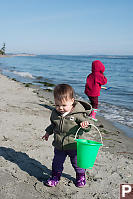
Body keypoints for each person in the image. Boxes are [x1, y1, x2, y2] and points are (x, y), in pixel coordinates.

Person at [42, 84, 92, 188]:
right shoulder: (55, 113)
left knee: (77, 164)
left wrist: (84, 125)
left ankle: (81, 176)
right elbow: (53, 125)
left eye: (64, 105)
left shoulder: (77, 114)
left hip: (74, 145)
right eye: (57, 105)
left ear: (72, 101)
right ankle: (55, 177)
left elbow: (88, 127)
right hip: (59, 145)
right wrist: (47, 133)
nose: (60, 108)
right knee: (56, 163)